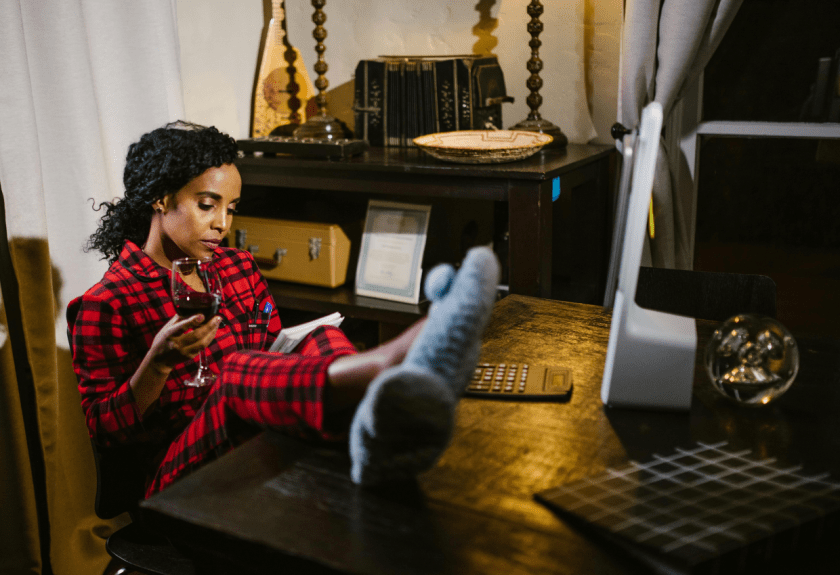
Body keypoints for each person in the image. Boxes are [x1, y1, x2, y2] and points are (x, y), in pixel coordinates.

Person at [68, 121, 499, 497]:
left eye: (231, 209)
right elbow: (107, 434)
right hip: (174, 479)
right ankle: (387, 365)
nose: (223, 224)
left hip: (257, 440)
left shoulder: (236, 267)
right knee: (236, 375)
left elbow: (273, 350)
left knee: (319, 336)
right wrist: (158, 366)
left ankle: (372, 435)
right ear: (161, 199)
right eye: (207, 205)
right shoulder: (105, 303)